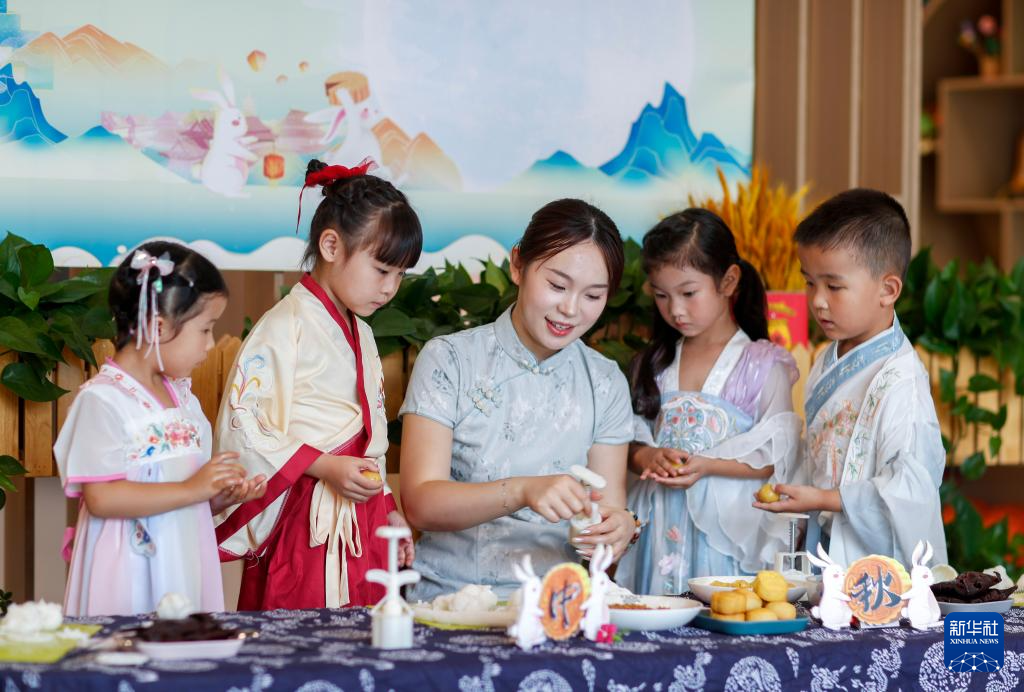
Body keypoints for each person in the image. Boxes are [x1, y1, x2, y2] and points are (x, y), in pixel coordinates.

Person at [398, 198, 637, 601]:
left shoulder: (605, 381)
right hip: (451, 602)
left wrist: (618, 528)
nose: (570, 309)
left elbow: (607, 509)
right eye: (557, 286)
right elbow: (421, 503)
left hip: (558, 610)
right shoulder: (450, 360)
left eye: (593, 296)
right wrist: (523, 490)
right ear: (517, 265)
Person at [214, 158, 420, 609]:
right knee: (299, 635)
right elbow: (244, 422)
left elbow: (369, 436)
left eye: (400, 275)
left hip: (361, 512)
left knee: (365, 633)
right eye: (382, 270)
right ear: (331, 245)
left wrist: (388, 509)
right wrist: (324, 466)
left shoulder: (362, 332)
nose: (390, 288)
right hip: (305, 516)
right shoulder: (283, 325)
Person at [56, 241, 265, 616]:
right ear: (158, 327)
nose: (210, 344)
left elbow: (179, 493)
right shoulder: (103, 400)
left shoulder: (183, 399)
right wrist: (192, 489)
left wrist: (215, 495)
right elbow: (102, 498)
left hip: (179, 558)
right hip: (130, 568)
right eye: (205, 329)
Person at [754, 188, 948, 568]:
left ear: (888, 290)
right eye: (810, 282)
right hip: (827, 547)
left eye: (834, 286)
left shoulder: (902, 383)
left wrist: (824, 499)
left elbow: (910, 493)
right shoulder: (829, 359)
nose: (817, 300)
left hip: (878, 567)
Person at [615, 209, 801, 595]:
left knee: (719, 611)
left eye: (688, 293)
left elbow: (777, 453)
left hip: (724, 532)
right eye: (662, 295)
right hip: (657, 525)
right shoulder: (654, 363)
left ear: (728, 281)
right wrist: (646, 456)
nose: (675, 309)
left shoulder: (762, 365)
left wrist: (708, 465)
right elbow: (627, 438)